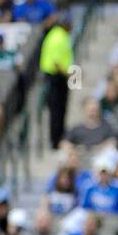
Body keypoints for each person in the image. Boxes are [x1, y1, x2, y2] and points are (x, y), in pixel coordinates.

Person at [39, 13, 73, 150]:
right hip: (56, 78)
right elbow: (58, 63)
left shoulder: (58, 35)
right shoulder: (59, 37)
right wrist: (73, 77)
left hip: (59, 78)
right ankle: (56, 140)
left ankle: (59, 138)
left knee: (59, 110)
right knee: (57, 110)